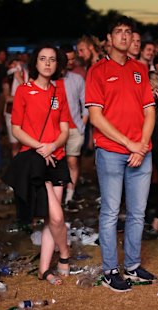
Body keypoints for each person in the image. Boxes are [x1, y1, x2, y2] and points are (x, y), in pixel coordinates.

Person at [85, 16, 157, 292]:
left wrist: (142, 144)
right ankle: (110, 270)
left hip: (141, 151)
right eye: (119, 32)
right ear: (109, 39)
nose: (125, 36)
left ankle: (133, 265)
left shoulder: (140, 68)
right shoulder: (98, 70)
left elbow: (150, 111)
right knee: (111, 212)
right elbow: (96, 116)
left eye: (129, 32)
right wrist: (130, 143)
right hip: (112, 151)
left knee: (138, 213)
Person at [8, 44, 71, 285]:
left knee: (49, 218)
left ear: (57, 64)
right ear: (35, 63)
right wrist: (39, 146)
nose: (47, 63)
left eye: (52, 60)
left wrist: (52, 146)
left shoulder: (59, 92)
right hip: (34, 159)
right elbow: (16, 129)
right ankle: (64, 254)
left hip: (57, 157)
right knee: (55, 216)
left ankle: (44, 268)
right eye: (43, 59)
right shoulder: (24, 91)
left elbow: (65, 130)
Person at [60, 45, 88, 211]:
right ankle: (57, 194)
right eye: (67, 59)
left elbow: (85, 102)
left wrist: (83, 122)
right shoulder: (52, 79)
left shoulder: (77, 79)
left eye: (73, 59)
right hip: (56, 130)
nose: (71, 62)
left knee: (72, 160)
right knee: (58, 163)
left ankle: (69, 197)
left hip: (75, 127)